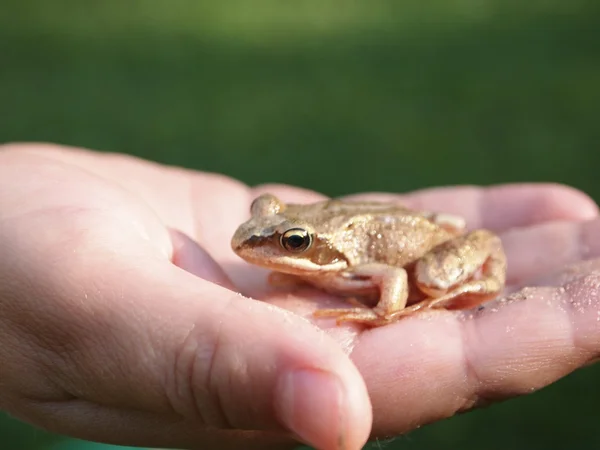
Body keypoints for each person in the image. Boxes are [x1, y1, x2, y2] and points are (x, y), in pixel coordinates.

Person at [1, 142, 599, 450]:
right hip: (384, 219)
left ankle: (458, 284)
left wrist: (385, 311)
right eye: (273, 225)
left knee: (432, 281)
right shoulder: (285, 235)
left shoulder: (349, 257)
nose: (261, 243)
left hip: (412, 240)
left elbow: (391, 282)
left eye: (289, 242)